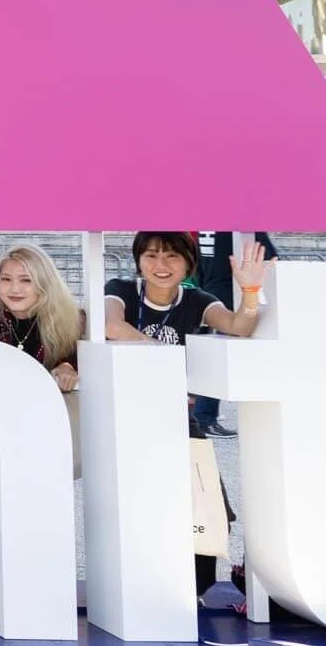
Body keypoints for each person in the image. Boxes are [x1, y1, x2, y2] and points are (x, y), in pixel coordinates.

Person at [104, 231, 265, 598]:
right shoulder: (122, 290)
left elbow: (240, 326)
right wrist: (167, 362)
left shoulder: (197, 300)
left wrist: (251, 292)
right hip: (126, 418)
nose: (161, 266)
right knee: (141, 505)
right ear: (138, 260)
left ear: (189, 263)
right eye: (151, 256)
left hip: (176, 418)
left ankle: (196, 588)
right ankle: (139, 585)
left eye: (172, 257)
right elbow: (112, 325)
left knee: (209, 503)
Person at [188, 232, 279, 437]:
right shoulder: (238, 227)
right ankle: (205, 416)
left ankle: (203, 415)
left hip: (211, 291)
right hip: (236, 295)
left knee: (216, 357)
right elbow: (268, 256)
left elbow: (200, 262)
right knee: (222, 360)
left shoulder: (206, 228)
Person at [0, 244, 83, 392]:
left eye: (26, 280)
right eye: (6, 279)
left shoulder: (67, 318)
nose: (15, 289)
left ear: (45, 283)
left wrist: (66, 366)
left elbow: (71, 356)